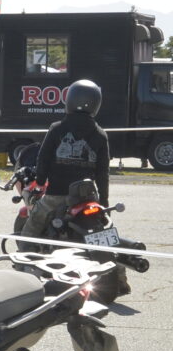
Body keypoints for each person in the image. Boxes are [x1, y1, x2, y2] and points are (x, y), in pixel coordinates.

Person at [23, 79, 125, 293]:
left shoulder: (57, 128)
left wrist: (39, 183)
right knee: (106, 232)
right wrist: (103, 202)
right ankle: (121, 279)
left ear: (69, 100)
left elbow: (43, 159)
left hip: (57, 194)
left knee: (30, 229)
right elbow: (102, 172)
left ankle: (23, 270)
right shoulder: (100, 134)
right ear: (96, 103)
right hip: (88, 198)